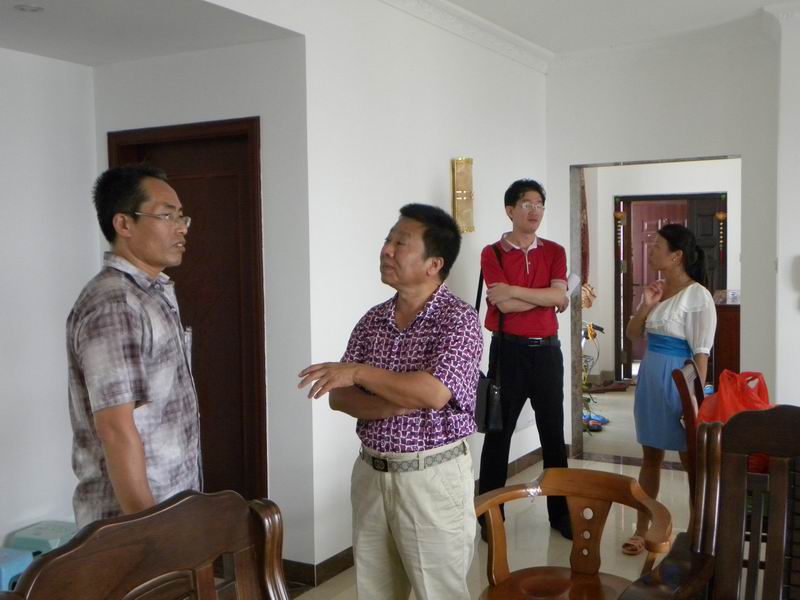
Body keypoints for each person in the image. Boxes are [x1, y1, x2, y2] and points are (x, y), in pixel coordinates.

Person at [298, 204, 482, 600]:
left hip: (432, 478)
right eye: (387, 240)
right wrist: (389, 405)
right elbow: (339, 398)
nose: (386, 250)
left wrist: (360, 373)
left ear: (434, 264)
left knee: (440, 592)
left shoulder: (458, 320)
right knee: (376, 591)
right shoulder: (373, 321)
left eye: (401, 243)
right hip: (371, 475)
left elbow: (432, 392)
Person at [67, 165, 201, 528]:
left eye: (182, 217)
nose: (181, 228)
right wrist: (148, 531)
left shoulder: (150, 294)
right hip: (132, 524)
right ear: (124, 224)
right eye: (166, 216)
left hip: (170, 505)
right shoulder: (114, 303)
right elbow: (115, 428)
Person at [477, 178, 573, 540]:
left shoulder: (555, 251)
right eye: (527, 204)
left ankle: (560, 515)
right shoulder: (493, 253)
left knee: (553, 435)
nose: (535, 211)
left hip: (547, 352)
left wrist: (515, 291)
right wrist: (545, 296)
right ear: (510, 210)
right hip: (508, 352)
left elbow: (556, 297)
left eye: (540, 204)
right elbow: (502, 305)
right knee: (498, 436)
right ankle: (490, 518)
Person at [622, 223, 716, 556]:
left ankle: (699, 532)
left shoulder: (698, 296)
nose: (651, 251)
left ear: (676, 256)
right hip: (651, 378)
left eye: (658, 246)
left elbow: (701, 354)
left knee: (691, 462)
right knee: (651, 457)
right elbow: (633, 333)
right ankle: (641, 529)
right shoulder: (658, 290)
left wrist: (695, 402)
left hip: (679, 383)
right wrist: (646, 305)